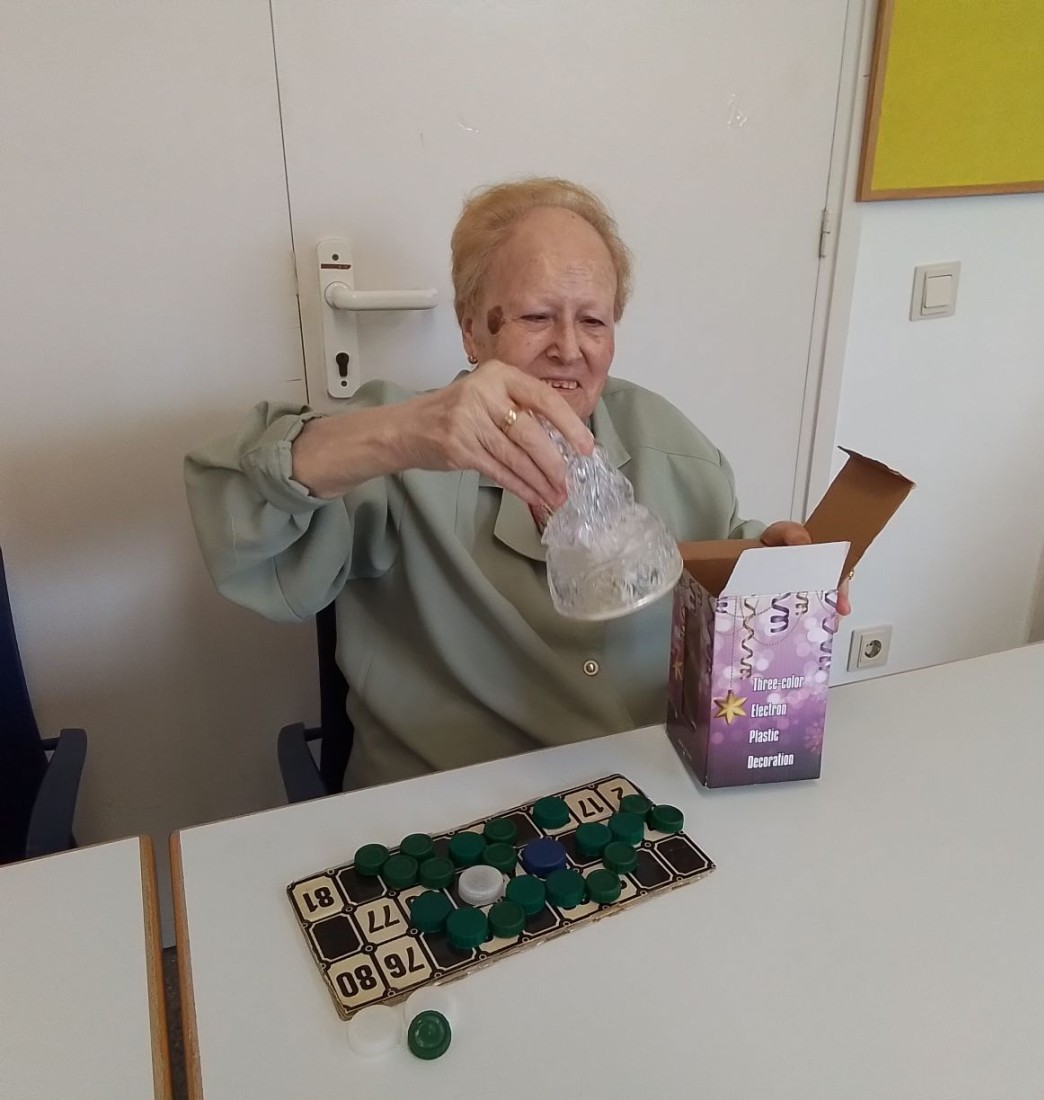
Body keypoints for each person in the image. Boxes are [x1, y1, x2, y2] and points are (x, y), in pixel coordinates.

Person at [185, 177, 836, 789]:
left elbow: (724, 553)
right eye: (535, 317)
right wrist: (403, 435)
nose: (569, 348)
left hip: (642, 793)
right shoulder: (400, 443)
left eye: (593, 321)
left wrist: (776, 566)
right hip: (452, 816)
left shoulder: (668, 442)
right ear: (471, 327)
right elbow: (237, 511)